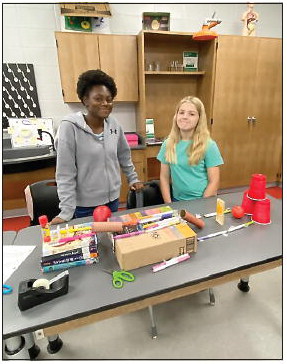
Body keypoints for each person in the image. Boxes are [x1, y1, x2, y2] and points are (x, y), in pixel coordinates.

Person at [50, 69, 143, 224]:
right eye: (98, 99)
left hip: (113, 200)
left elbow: (124, 156)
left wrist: (133, 179)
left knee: (111, 241)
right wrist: (66, 211)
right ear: (85, 100)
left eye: (109, 99)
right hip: (84, 206)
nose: (105, 103)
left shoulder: (114, 125)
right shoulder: (69, 127)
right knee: (91, 245)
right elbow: (65, 173)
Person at [157, 96, 223, 203]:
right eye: (181, 112)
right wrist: (169, 204)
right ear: (176, 116)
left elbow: (214, 181)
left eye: (191, 114)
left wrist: (202, 204)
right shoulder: (168, 144)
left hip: (202, 200)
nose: (185, 117)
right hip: (176, 201)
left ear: (199, 119)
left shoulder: (209, 145)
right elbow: (164, 178)